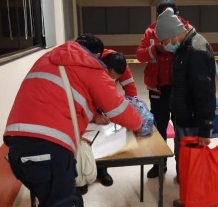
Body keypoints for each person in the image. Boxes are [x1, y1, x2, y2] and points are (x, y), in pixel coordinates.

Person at [3, 33, 143, 207]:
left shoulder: (49, 58)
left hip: (16, 149)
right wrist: (140, 123)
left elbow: (64, 96)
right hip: (48, 150)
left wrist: (93, 115)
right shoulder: (91, 66)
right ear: (99, 55)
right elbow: (118, 108)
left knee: (70, 199)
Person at [155, 8, 216, 207]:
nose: (165, 46)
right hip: (182, 116)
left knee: (194, 163)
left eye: (164, 42)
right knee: (186, 161)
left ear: (172, 34)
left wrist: (205, 127)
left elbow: (204, 92)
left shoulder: (196, 49)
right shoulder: (183, 46)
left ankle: (196, 201)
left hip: (192, 120)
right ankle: (189, 197)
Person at [136, 0, 193, 179]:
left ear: (177, 14)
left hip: (180, 90)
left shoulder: (187, 30)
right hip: (158, 89)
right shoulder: (151, 32)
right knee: (159, 128)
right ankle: (159, 165)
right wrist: (156, 49)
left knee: (181, 128)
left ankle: (181, 167)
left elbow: (195, 53)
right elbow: (139, 55)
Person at [95, 49, 138, 187]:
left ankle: (102, 170)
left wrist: (132, 111)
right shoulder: (94, 64)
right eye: (111, 77)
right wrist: (94, 116)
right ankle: (81, 175)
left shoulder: (121, 66)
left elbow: (131, 91)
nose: (113, 80)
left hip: (104, 98)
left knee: (104, 134)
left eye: (115, 78)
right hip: (87, 100)